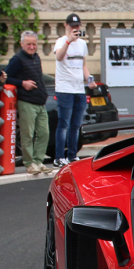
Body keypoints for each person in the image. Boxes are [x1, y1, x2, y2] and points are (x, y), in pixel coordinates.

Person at [6, 30, 50, 174]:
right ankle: (29, 163)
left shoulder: (36, 57)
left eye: (34, 44)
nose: (32, 47)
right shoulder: (17, 60)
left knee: (44, 133)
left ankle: (38, 160)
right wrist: (22, 83)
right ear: (22, 44)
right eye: (28, 44)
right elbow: (6, 77)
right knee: (28, 134)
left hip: (40, 101)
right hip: (27, 101)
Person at [53, 13, 92, 166]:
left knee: (76, 124)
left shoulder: (82, 44)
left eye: (77, 26)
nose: (75, 29)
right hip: (64, 88)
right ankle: (59, 156)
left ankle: (72, 154)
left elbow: (83, 64)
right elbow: (59, 57)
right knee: (64, 124)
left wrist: (89, 80)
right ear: (66, 26)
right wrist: (69, 41)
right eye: (72, 26)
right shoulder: (61, 42)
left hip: (79, 89)